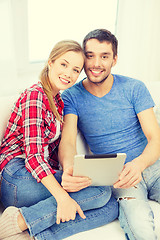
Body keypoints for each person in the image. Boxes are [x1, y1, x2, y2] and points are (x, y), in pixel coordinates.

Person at [0, 40, 118, 240]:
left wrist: (70, 175)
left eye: (75, 70)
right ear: (50, 62)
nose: (68, 74)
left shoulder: (58, 102)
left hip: (35, 176)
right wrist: (63, 197)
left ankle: (35, 234)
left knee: (111, 206)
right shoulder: (35, 96)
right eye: (64, 64)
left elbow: (55, 153)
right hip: (16, 178)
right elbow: (35, 157)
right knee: (101, 191)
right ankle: (16, 221)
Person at [59, 29, 160, 240]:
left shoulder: (134, 87)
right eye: (90, 55)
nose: (96, 63)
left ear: (114, 59)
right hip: (120, 179)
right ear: (83, 58)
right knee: (142, 230)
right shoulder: (71, 96)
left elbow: (155, 138)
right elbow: (68, 141)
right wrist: (69, 168)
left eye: (104, 56)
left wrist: (139, 165)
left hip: (152, 167)